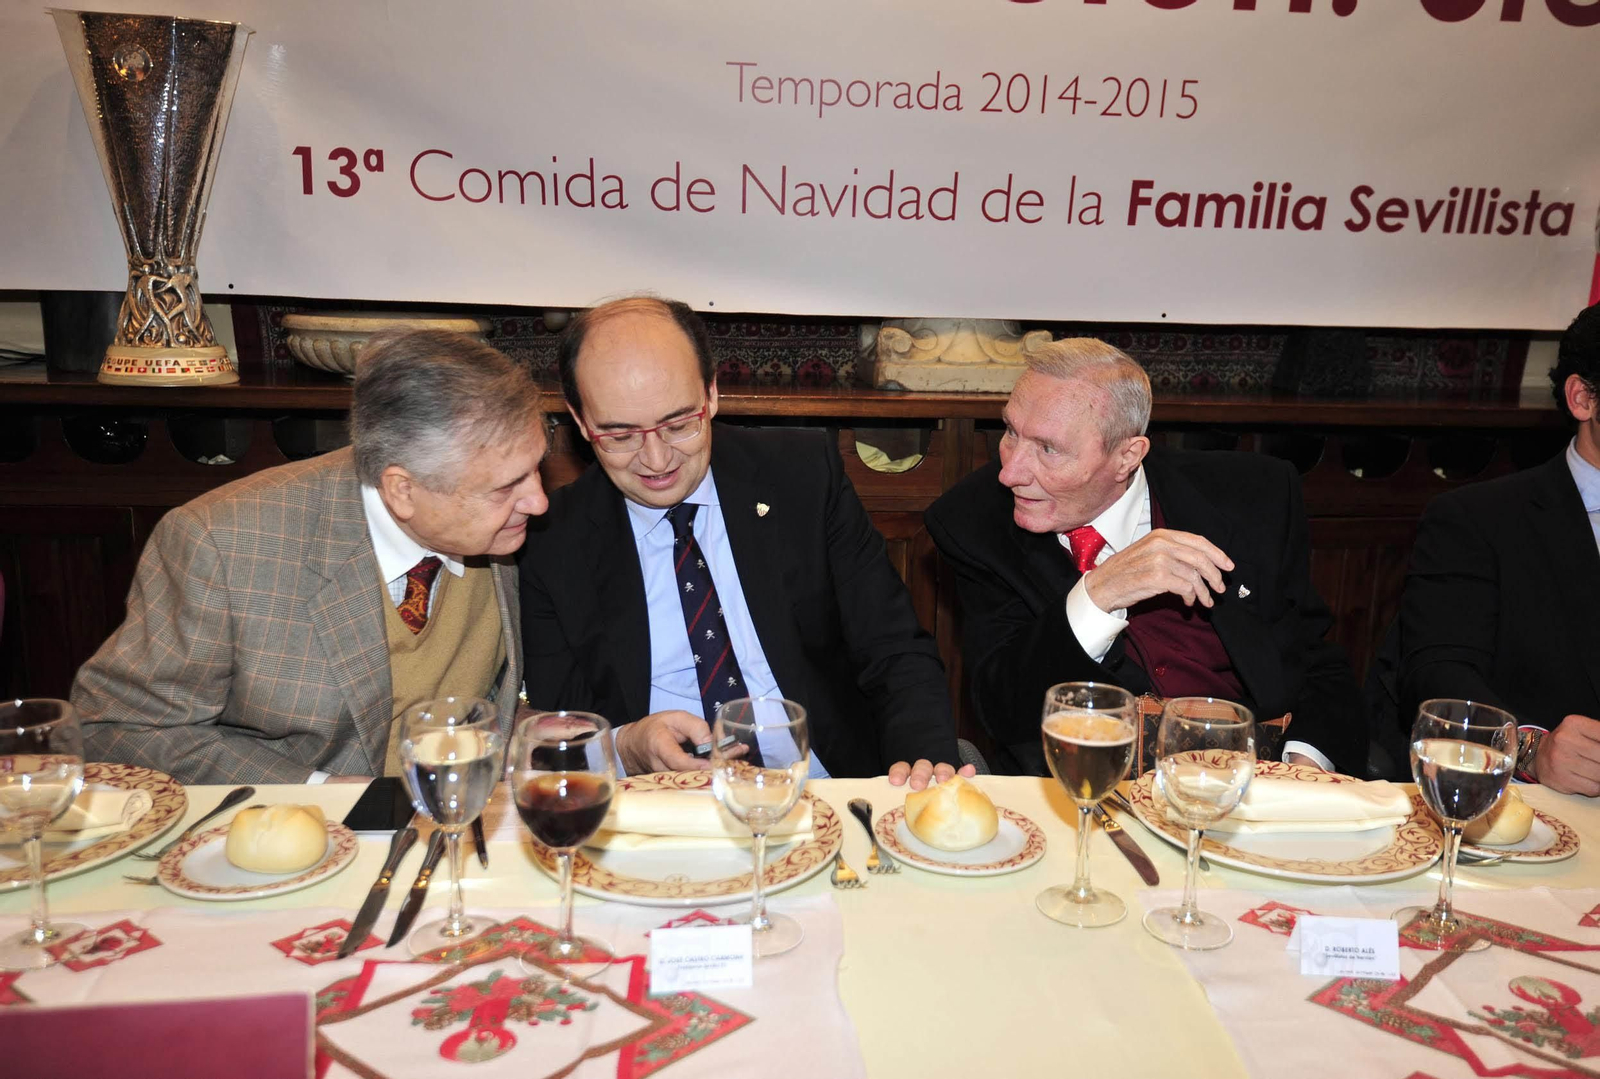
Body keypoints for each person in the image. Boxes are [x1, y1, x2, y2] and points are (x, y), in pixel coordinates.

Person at [519, 296, 969, 788]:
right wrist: (626, 745)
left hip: (822, 785)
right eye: (620, 435)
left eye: (678, 424)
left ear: (710, 394)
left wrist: (923, 758)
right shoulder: (552, 539)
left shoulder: (801, 477)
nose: (655, 459)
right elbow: (559, 727)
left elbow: (892, 646)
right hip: (656, 805)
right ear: (582, 423)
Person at [75, 330, 548, 784]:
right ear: (402, 490)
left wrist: (520, 731)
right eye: (507, 486)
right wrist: (318, 790)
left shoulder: (493, 524)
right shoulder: (222, 544)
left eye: (535, 468)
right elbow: (118, 731)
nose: (539, 501)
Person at [925, 338, 1367, 776]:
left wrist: (1302, 770)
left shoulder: (1253, 497)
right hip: (1095, 788)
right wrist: (1099, 593)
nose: (1010, 471)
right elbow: (1003, 708)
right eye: (1010, 432)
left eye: (1048, 449)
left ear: (1127, 457)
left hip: (1255, 780)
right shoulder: (975, 520)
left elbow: (1314, 661)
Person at [1399, 302, 1600, 796]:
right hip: (1544, 810)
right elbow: (1439, 677)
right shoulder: (1478, 521)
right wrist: (1533, 748)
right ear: (1583, 398)